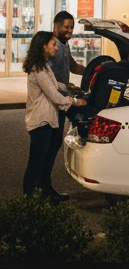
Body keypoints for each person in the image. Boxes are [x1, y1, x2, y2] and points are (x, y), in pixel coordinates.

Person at [23, 30, 88, 200]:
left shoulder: (44, 66)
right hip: (40, 121)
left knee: (44, 161)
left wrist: (68, 87)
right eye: (53, 44)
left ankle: (46, 192)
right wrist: (75, 102)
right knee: (36, 163)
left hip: (48, 120)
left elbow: (55, 84)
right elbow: (53, 94)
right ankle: (29, 200)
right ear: (43, 46)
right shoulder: (38, 69)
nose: (56, 48)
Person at [49, 11, 88, 199]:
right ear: (56, 25)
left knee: (55, 144)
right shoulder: (50, 45)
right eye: (66, 26)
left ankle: (45, 188)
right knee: (47, 145)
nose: (70, 30)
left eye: (71, 27)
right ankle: (40, 191)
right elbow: (44, 74)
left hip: (62, 99)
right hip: (51, 102)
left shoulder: (64, 45)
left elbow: (72, 65)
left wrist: (92, 70)